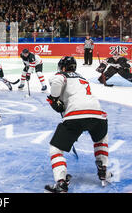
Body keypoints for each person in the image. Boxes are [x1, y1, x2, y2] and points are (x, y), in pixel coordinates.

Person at [45, 56, 111, 193]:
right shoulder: (82, 78)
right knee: (101, 140)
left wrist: (54, 97)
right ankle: (103, 168)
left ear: (63, 68)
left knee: (55, 148)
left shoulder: (61, 75)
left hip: (76, 115)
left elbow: (57, 82)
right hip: (98, 114)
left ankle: (61, 182)